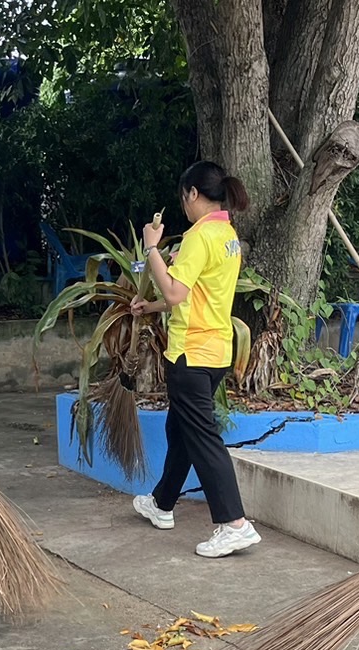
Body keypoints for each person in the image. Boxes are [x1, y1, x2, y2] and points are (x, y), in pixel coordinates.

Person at [127, 160, 261, 559]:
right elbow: (192, 295)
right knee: (181, 430)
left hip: (191, 354)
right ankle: (162, 503)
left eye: (182, 197)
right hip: (217, 350)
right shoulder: (227, 234)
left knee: (201, 436)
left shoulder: (199, 237)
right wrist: (148, 305)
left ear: (192, 194)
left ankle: (234, 523)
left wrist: (151, 247)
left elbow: (174, 292)